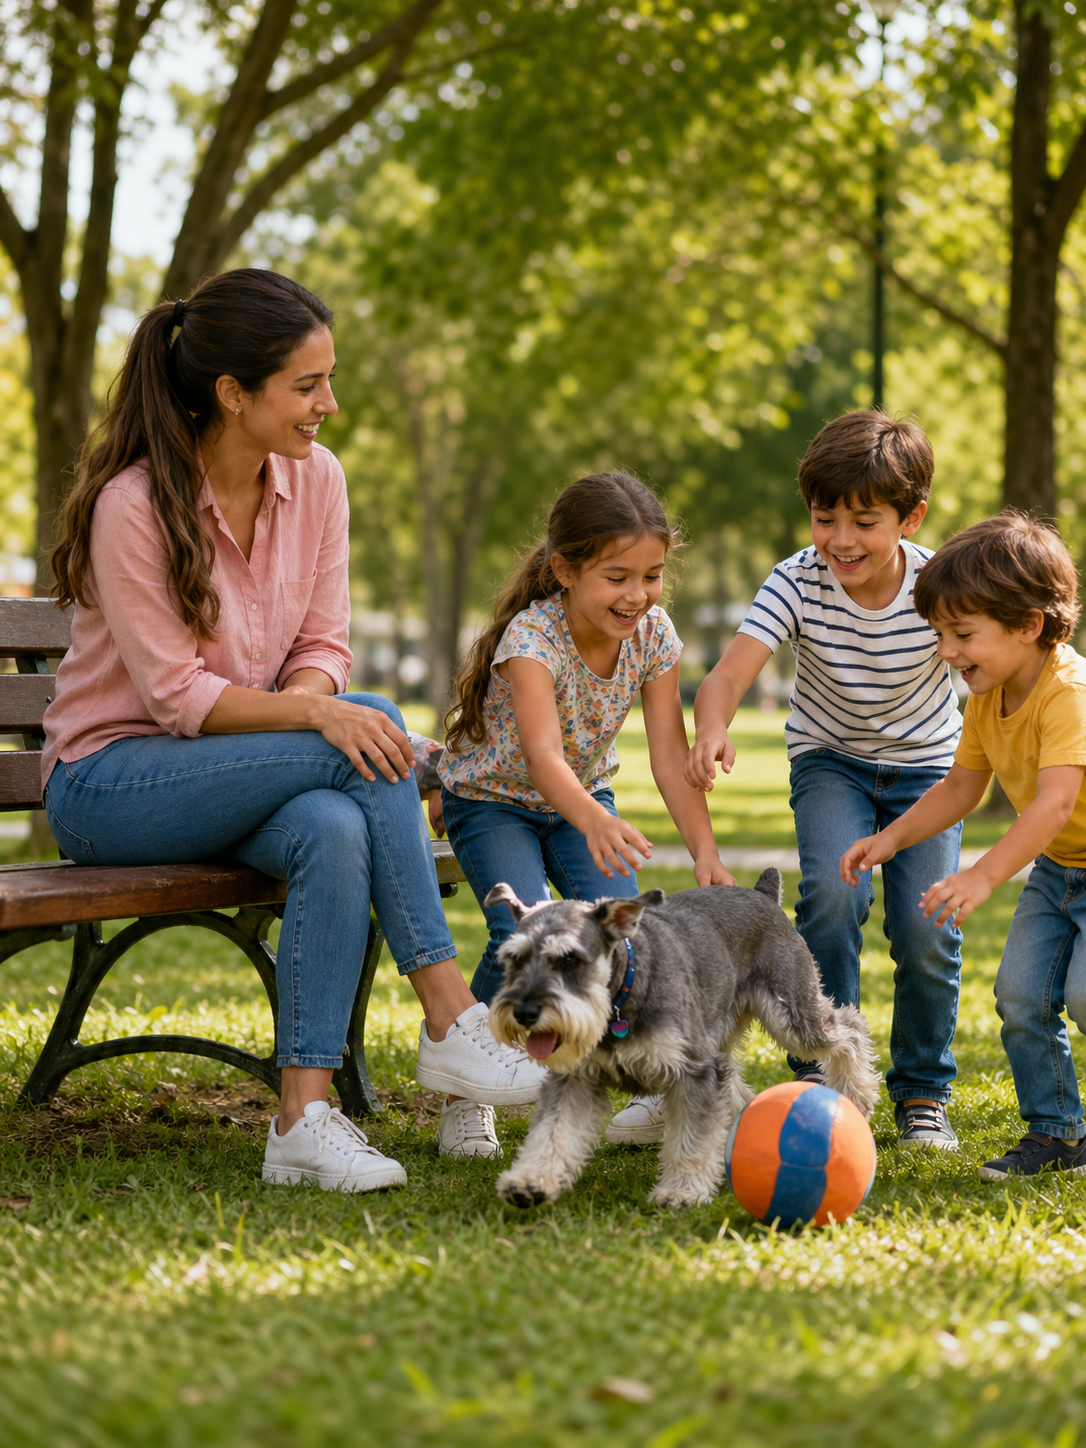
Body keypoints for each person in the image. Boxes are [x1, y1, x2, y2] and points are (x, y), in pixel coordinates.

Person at [42, 268, 544, 1189]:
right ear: (233, 393)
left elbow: (321, 644)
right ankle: (447, 1014)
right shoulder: (133, 505)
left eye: (329, 380)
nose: (330, 405)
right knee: (371, 723)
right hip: (111, 786)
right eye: (307, 386)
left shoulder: (319, 482)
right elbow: (176, 698)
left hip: (247, 774)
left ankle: (301, 1119)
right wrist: (323, 714)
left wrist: (323, 705)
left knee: (333, 823)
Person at [684, 411, 965, 1148]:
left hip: (929, 770)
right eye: (824, 518)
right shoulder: (798, 580)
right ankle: (819, 1066)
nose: (840, 539)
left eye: (864, 522)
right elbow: (728, 675)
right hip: (830, 761)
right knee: (834, 900)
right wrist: (711, 727)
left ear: (911, 518)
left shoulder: (938, 585)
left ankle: (922, 1091)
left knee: (927, 928)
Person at [437, 472, 735, 1143]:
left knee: (622, 937)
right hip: (493, 801)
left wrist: (705, 851)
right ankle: (468, 1085)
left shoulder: (653, 635)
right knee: (520, 929)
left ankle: (646, 1080)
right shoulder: (532, 638)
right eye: (617, 577)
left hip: (584, 796)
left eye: (652, 576)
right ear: (565, 571)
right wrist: (594, 820)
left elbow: (669, 756)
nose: (638, 595)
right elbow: (543, 755)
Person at [842, 513, 1086, 1179]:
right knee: (1020, 995)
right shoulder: (986, 695)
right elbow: (958, 788)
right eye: (940, 634)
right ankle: (1058, 1133)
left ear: (1028, 624)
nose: (947, 650)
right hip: (1060, 871)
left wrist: (981, 876)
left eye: (963, 634)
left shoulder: (1068, 692)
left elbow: (1055, 803)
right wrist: (890, 838)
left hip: (1067, 856)